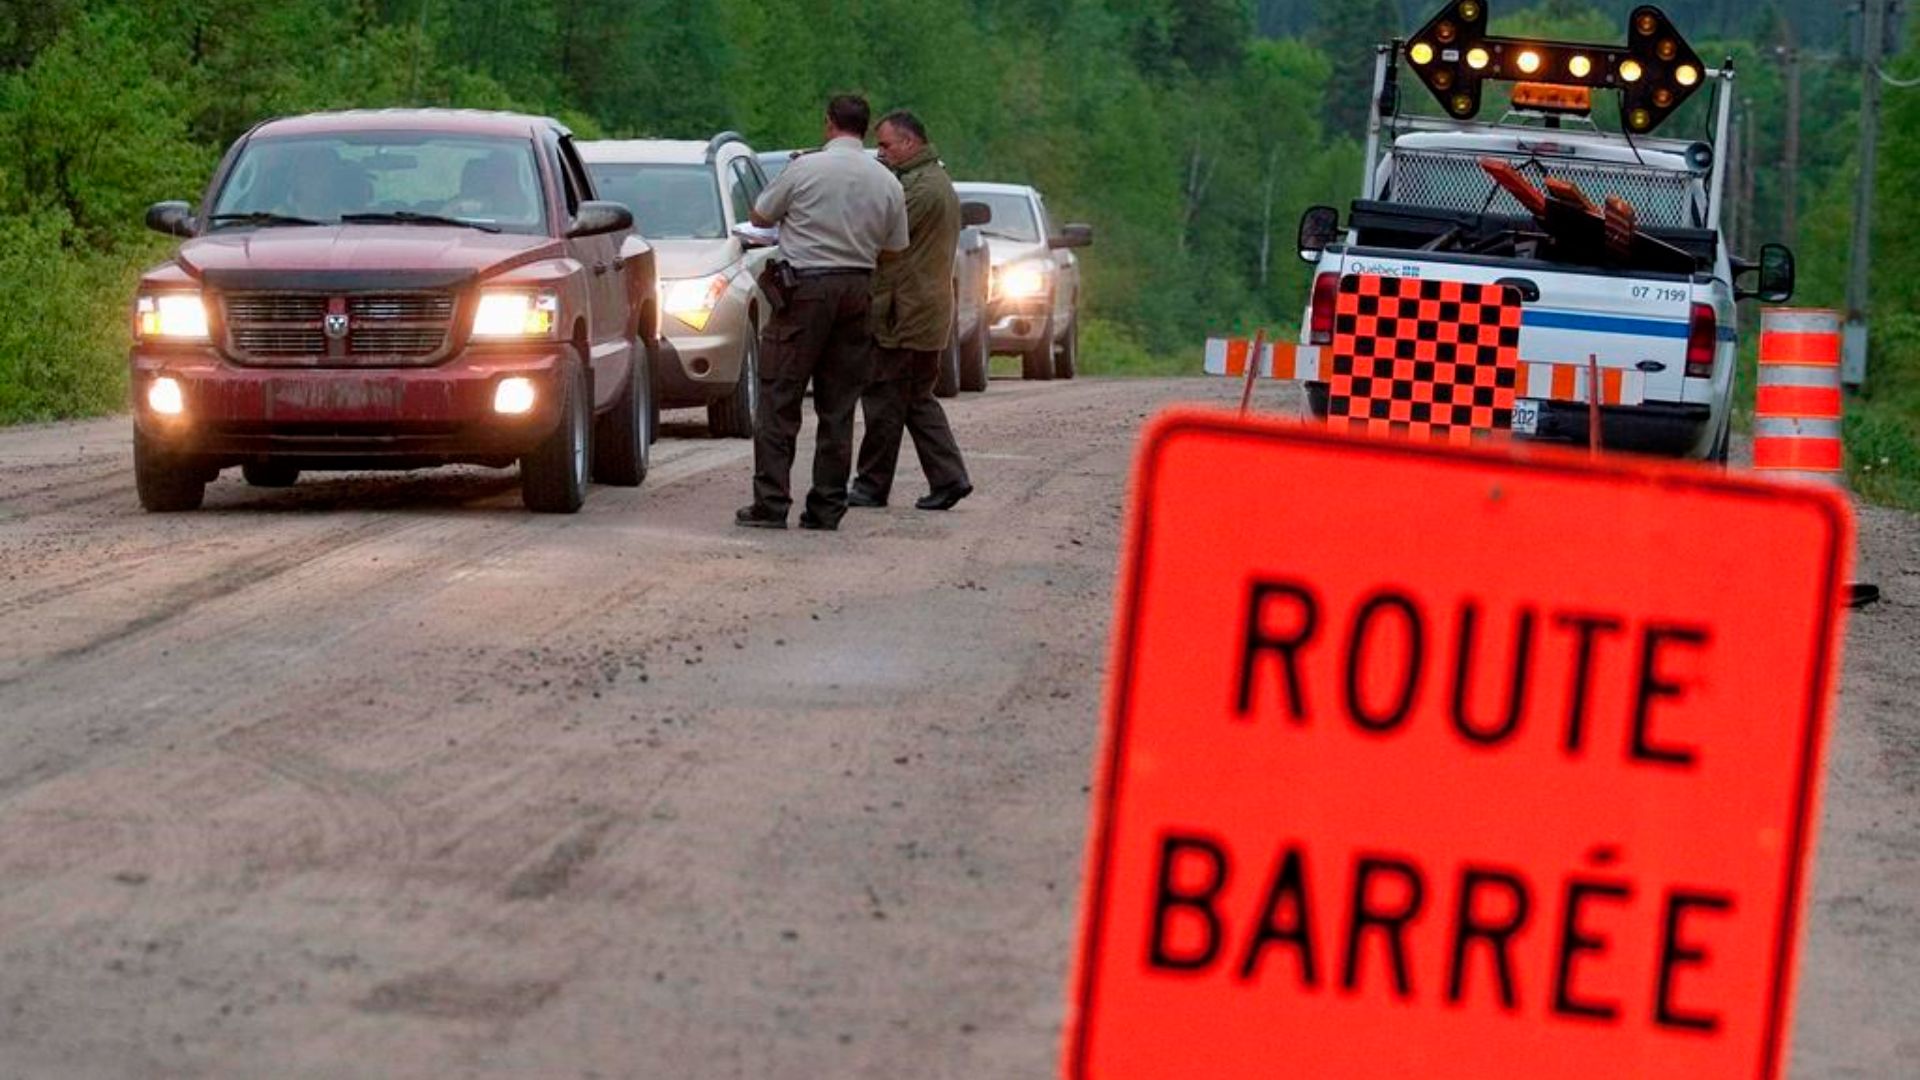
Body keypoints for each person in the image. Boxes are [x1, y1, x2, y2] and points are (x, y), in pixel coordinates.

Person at [735, 94, 909, 531]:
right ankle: (827, 506)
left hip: (805, 289)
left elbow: (760, 213)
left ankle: (771, 504)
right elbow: (895, 246)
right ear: (866, 130)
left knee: (779, 397)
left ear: (829, 123)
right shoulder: (886, 180)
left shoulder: (806, 167)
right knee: (839, 404)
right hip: (857, 289)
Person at [848, 111, 973, 512]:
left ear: (909, 143)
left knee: (886, 398)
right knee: (916, 399)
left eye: (885, 145)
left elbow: (884, 238)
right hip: (920, 309)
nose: (880, 153)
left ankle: (872, 485)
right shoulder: (929, 181)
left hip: (907, 313)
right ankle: (949, 478)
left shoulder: (922, 189)